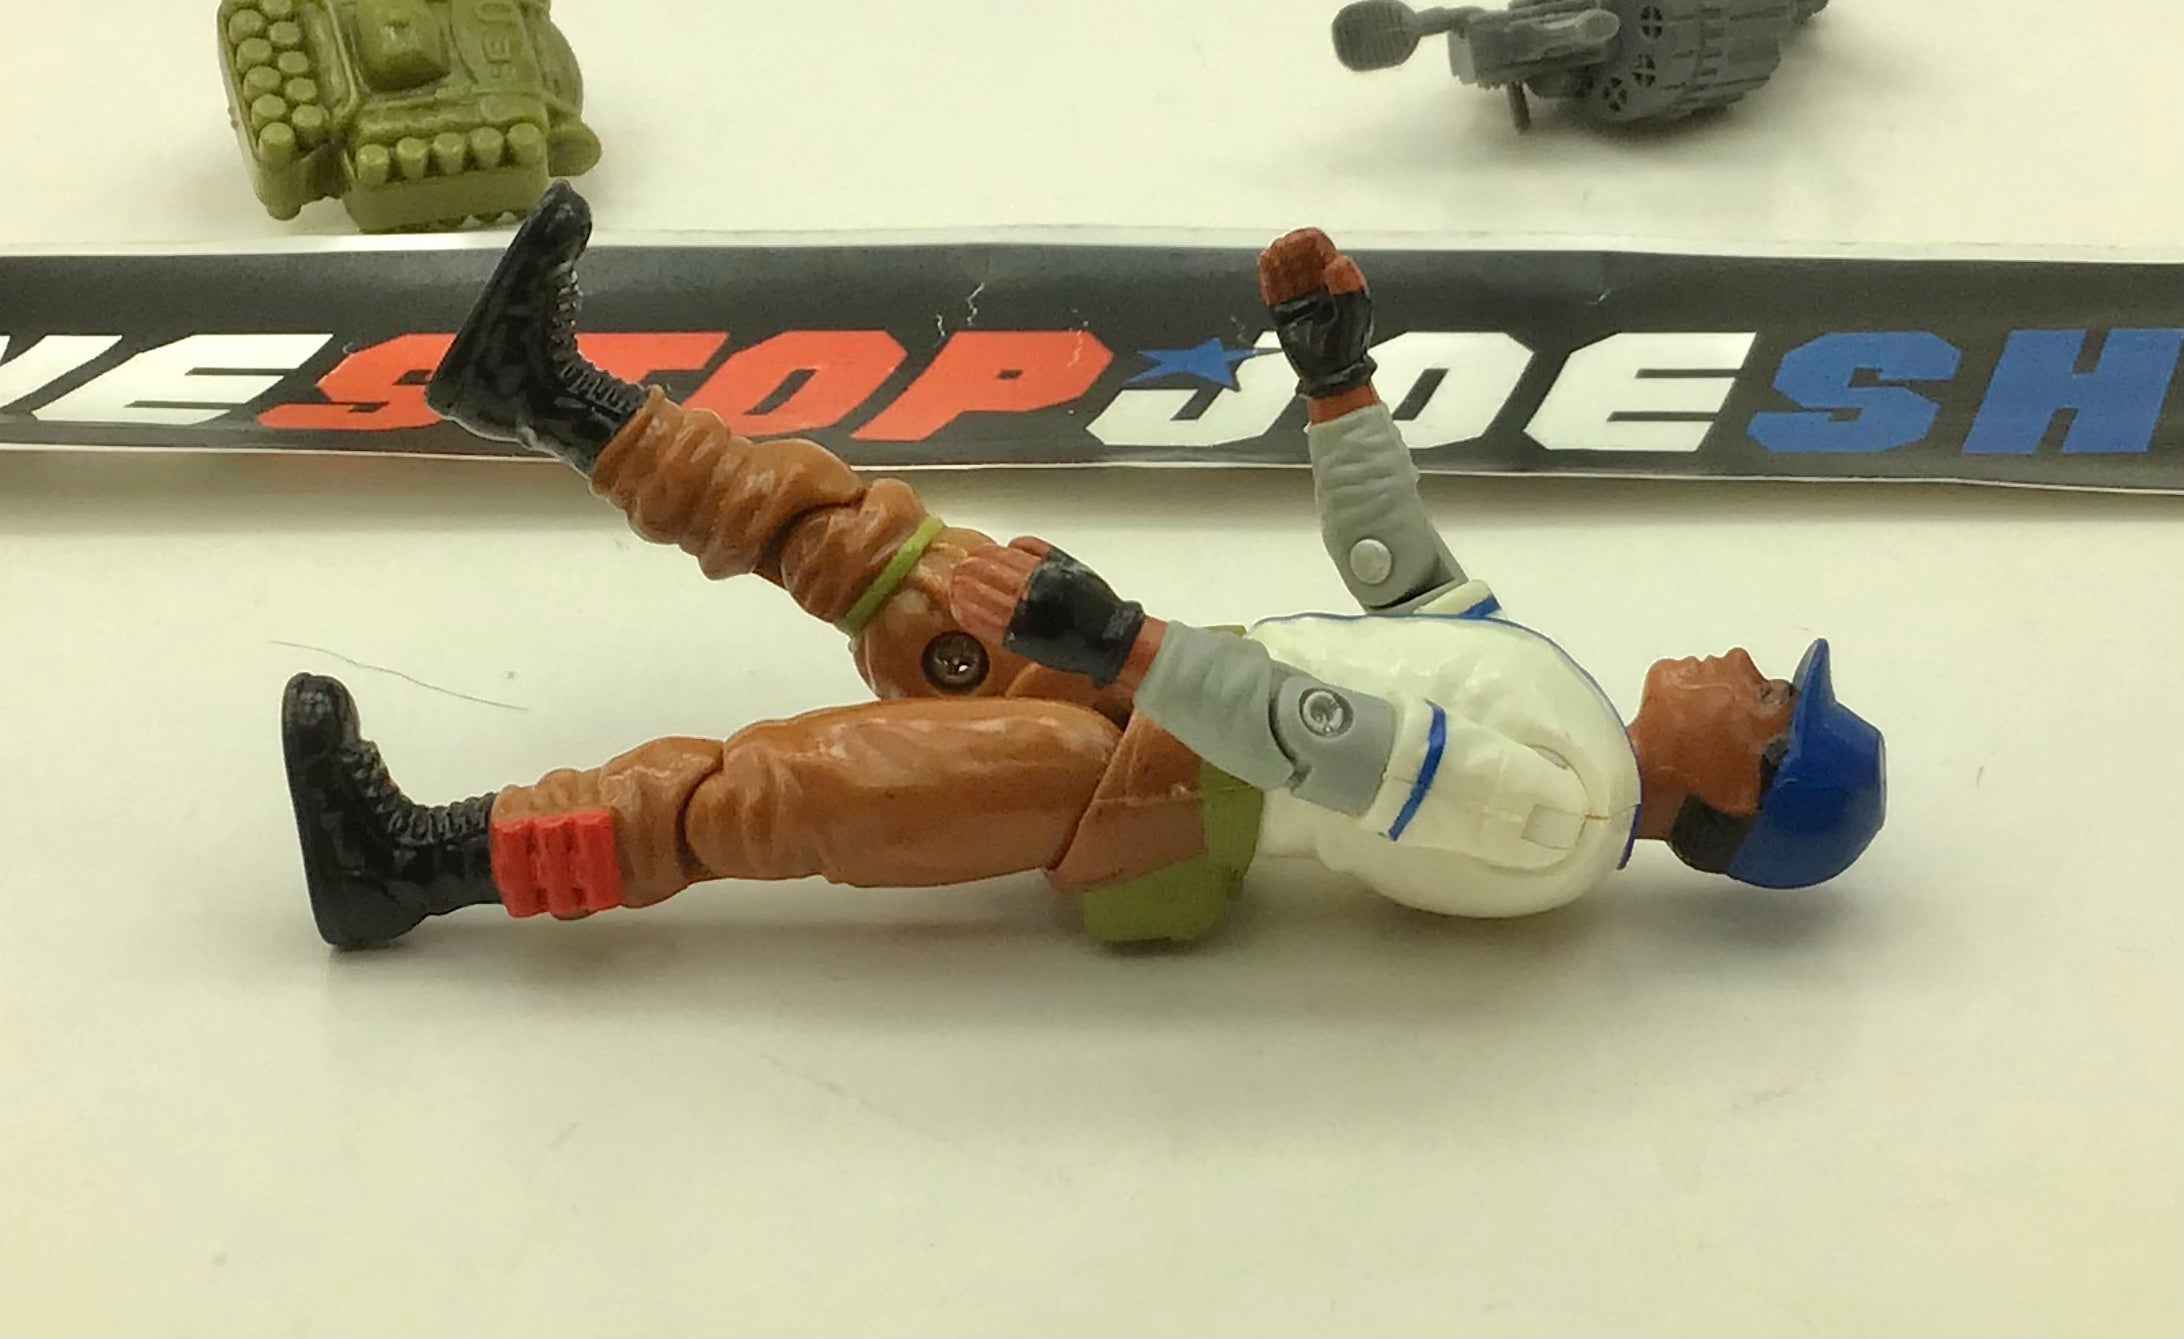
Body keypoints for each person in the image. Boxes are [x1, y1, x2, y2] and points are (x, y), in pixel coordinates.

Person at [279, 183, 1885, 950]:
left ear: (1739, 791)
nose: (1751, 673)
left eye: (1770, 708)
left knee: (783, 792)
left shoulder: (1565, 819)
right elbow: (1402, 578)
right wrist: (1338, 382)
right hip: (1164, 700)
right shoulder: (1568, 708)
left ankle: (417, 861)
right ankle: (546, 395)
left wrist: (1123, 648)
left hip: (1158, 807)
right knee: (880, 555)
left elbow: (1345, 745)